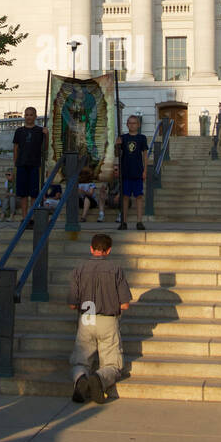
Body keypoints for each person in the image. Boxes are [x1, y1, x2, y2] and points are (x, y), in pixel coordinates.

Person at [68, 233, 132, 405]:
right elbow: (125, 304)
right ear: (109, 250)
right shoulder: (115, 269)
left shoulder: (79, 269)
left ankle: (81, 378)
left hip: (86, 318)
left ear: (91, 248)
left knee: (80, 360)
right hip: (107, 318)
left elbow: (72, 304)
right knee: (113, 363)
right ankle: (100, 378)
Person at [12, 106, 48, 222]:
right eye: (27, 115)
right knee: (23, 194)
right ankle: (24, 217)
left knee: (33, 194)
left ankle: (32, 217)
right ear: (24, 116)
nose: (29, 117)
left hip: (34, 164)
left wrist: (46, 135)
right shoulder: (19, 131)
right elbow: (16, 148)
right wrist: (15, 163)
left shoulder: (39, 131)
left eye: (31, 115)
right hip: (22, 164)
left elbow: (45, 148)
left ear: (35, 116)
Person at [116, 114, 148, 230]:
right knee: (125, 197)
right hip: (126, 171)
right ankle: (124, 221)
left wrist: (145, 170)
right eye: (130, 123)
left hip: (137, 171)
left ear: (138, 125)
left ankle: (139, 221)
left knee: (139, 196)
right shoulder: (123, 137)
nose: (132, 125)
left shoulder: (142, 138)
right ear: (127, 124)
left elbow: (145, 155)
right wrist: (117, 145)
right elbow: (117, 154)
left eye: (134, 123)